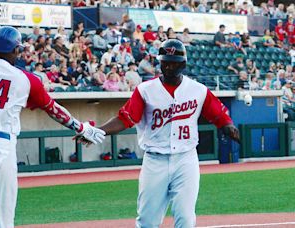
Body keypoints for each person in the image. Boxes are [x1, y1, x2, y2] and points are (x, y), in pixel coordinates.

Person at [78, 39, 240, 228]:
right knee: (147, 221)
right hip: (155, 160)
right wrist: (98, 130)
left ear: (183, 64)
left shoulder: (198, 90)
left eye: (173, 62)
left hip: (185, 159)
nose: (169, 66)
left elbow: (219, 116)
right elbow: (125, 118)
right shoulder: (145, 90)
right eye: (165, 62)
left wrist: (229, 126)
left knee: (186, 219)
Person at [0, 26, 105, 227]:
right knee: (3, 220)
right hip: (0, 146)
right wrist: (81, 128)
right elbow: (53, 109)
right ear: (15, 49)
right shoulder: (26, 79)